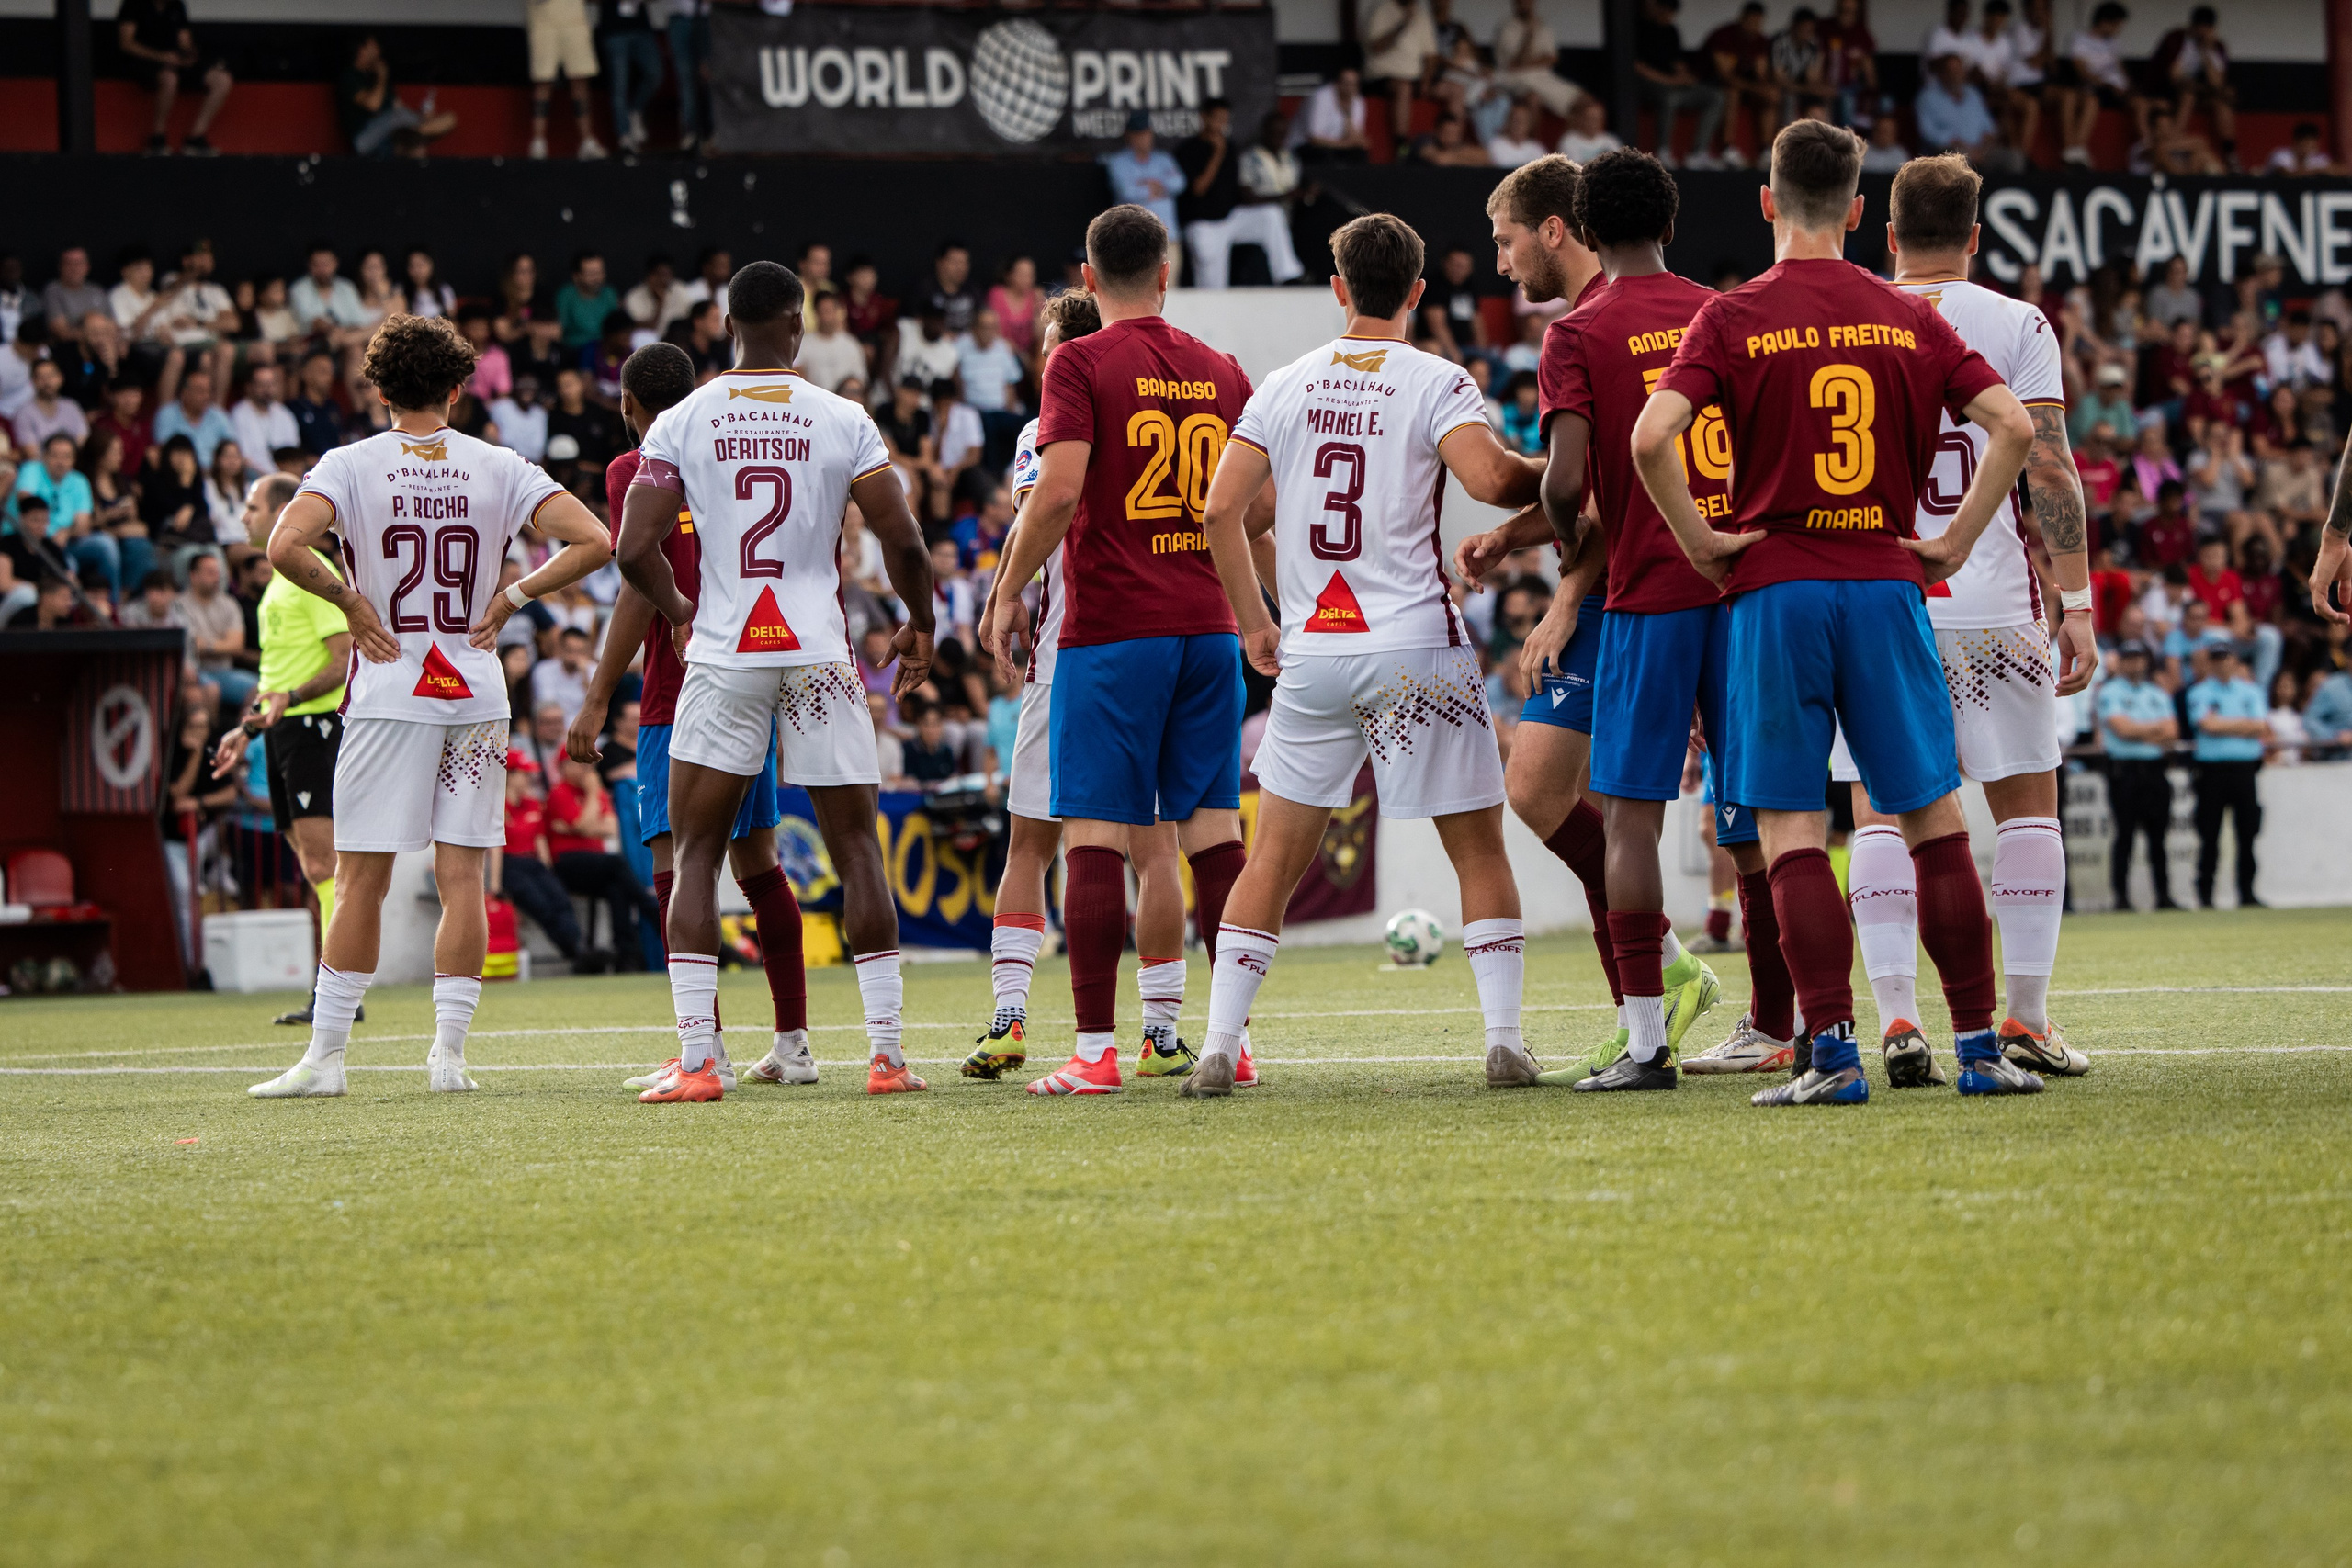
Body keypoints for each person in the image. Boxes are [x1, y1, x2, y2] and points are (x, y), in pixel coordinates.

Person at [1632, 119, 2040, 1105]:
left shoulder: (1732, 315)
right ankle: (1979, 1048)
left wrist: (1700, 542)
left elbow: (1653, 440)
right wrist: (1948, 540)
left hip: (1776, 587)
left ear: (1767, 203)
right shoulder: (1902, 312)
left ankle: (1833, 1056)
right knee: (1935, 821)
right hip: (1886, 580)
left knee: (1790, 830)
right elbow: (2015, 427)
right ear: (1861, 214)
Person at [1182, 213, 1543, 1098]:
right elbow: (1491, 480)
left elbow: (1223, 512)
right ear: (1418, 292)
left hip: (1314, 650)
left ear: (1336, 288)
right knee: (1479, 850)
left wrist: (1253, 621)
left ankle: (1220, 1046)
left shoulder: (1285, 384)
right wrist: (1572, 463)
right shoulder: (1437, 379)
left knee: (1271, 858)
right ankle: (1503, 1041)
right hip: (1415, 644)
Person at [245, 311, 614, 1100]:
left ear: (377, 388)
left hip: (391, 688)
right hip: (475, 688)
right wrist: (514, 594)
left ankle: (327, 1060)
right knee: (465, 875)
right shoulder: (499, 464)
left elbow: (281, 546)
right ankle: (448, 1058)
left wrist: (350, 601)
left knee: (361, 877)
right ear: (459, 387)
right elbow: (595, 540)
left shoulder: (348, 463)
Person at [1498, 148, 1796, 1091]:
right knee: (1755, 819)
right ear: (1670, 223)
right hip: (1742, 590)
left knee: (1629, 817)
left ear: (1580, 225)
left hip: (1646, 597)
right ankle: (1777, 1028)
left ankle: (1642, 1044)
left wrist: (1564, 531)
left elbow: (1565, 480)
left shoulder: (1578, 333)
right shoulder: (1732, 312)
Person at [618, 261, 937, 1101]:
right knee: (857, 848)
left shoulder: (682, 419)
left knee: (693, 857)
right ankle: (887, 1057)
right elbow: (901, 539)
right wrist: (924, 622)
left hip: (725, 654)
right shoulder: (843, 417)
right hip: (820, 655)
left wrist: (683, 606)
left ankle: (697, 1064)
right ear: (797, 326)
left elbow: (630, 546)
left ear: (727, 324)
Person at [1823, 153, 2096, 1083]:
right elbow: (2047, 469)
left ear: (1886, 233)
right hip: (1990, 601)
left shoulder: (1848, 310)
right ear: (1975, 237)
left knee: (1878, 813)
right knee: (2024, 802)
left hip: (1877, 595)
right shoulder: (2016, 322)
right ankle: (2024, 1018)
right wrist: (2078, 603)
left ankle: (1897, 1016)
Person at [978, 205, 1253, 1097]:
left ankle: (1095, 1048)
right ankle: (1226, 1041)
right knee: (1208, 835)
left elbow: (1054, 492)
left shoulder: (1079, 360)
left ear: (1088, 280)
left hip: (1113, 629)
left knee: (1093, 834)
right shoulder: (1221, 370)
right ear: (1166, 272)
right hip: (1209, 629)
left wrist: (1008, 586)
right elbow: (1259, 507)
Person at [963, 291, 1199, 1084]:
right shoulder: (1151, 409)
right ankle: (1162, 1033)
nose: (1043, 361)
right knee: (1156, 844)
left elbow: (1039, 509)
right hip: (1165, 639)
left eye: (1050, 346)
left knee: (1034, 839)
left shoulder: (1049, 426)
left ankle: (1011, 1019)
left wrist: (1002, 596)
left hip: (1076, 652)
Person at [569, 342, 819, 1089]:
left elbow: (636, 579)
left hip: (675, 696)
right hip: (756, 671)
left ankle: (700, 1047)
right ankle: (795, 1043)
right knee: (760, 864)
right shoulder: (728, 450)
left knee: (677, 867)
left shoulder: (632, 467)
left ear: (628, 407)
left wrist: (595, 692)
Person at [1452, 157, 1643, 1075]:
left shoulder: (1584, 328)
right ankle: (1655, 1003)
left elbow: (1595, 493)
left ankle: (1668, 998)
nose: (1500, 261)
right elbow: (1604, 487)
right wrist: (1516, 535)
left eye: (1505, 238)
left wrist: (1564, 590)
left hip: (1627, 588)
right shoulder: (1646, 307)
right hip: (1657, 575)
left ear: (1554, 229)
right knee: (1580, 799)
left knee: (1560, 796)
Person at [205, 473, 353, 1026]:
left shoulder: (313, 576)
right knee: (311, 862)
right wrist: (244, 730)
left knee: (325, 862)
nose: (243, 516)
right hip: (286, 727)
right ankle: (337, 988)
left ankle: (340, 991)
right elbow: (276, 679)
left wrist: (286, 699)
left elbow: (343, 659)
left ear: (283, 511)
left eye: (250, 505)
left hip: (315, 723)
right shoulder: (276, 583)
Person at [1179, 99, 1307, 293]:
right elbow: (1198, 189)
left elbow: (1237, 190)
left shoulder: (1230, 147)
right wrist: (1217, 153)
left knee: (1270, 215)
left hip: (1231, 218)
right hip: (1203, 225)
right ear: (1203, 118)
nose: (1221, 125)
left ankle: (1288, 276)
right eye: (1216, 119)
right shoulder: (1188, 149)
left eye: (1224, 120)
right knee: (1212, 290)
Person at [2185, 637, 2266, 907]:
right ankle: (2206, 894)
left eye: (2226, 658)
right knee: (2209, 834)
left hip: (2244, 770)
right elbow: (2207, 725)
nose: (2222, 665)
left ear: (2234, 661)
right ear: (2210, 663)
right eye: (2216, 660)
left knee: (2247, 834)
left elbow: (2259, 726)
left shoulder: (2250, 691)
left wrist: (2223, 725)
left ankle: (2247, 892)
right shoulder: (2199, 692)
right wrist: (2242, 725)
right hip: (2212, 771)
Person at [116, 0, 233, 155]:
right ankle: (158, 138)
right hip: (145, 62)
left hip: (175, 62)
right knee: (169, 79)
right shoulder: (133, 5)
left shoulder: (177, 6)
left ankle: (195, 138)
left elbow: (184, 41)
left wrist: (189, 55)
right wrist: (161, 57)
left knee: (222, 80)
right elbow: (126, 43)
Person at [1102, 113, 1186, 281]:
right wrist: (1157, 188)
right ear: (1129, 136)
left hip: (1167, 236)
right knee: (1134, 289)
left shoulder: (1163, 159)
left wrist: (1150, 186)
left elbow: (1179, 183)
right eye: (1138, 134)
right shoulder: (1118, 161)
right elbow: (1127, 192)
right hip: (1133, 238)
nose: (1143, 138)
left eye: (1146, 133)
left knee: (1169, 291)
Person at [526, 0, 609, 160]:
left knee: (580, 79)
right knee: (543, 81)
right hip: (543, 23)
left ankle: (587, 141)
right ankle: (538, 142)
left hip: (574, 22)